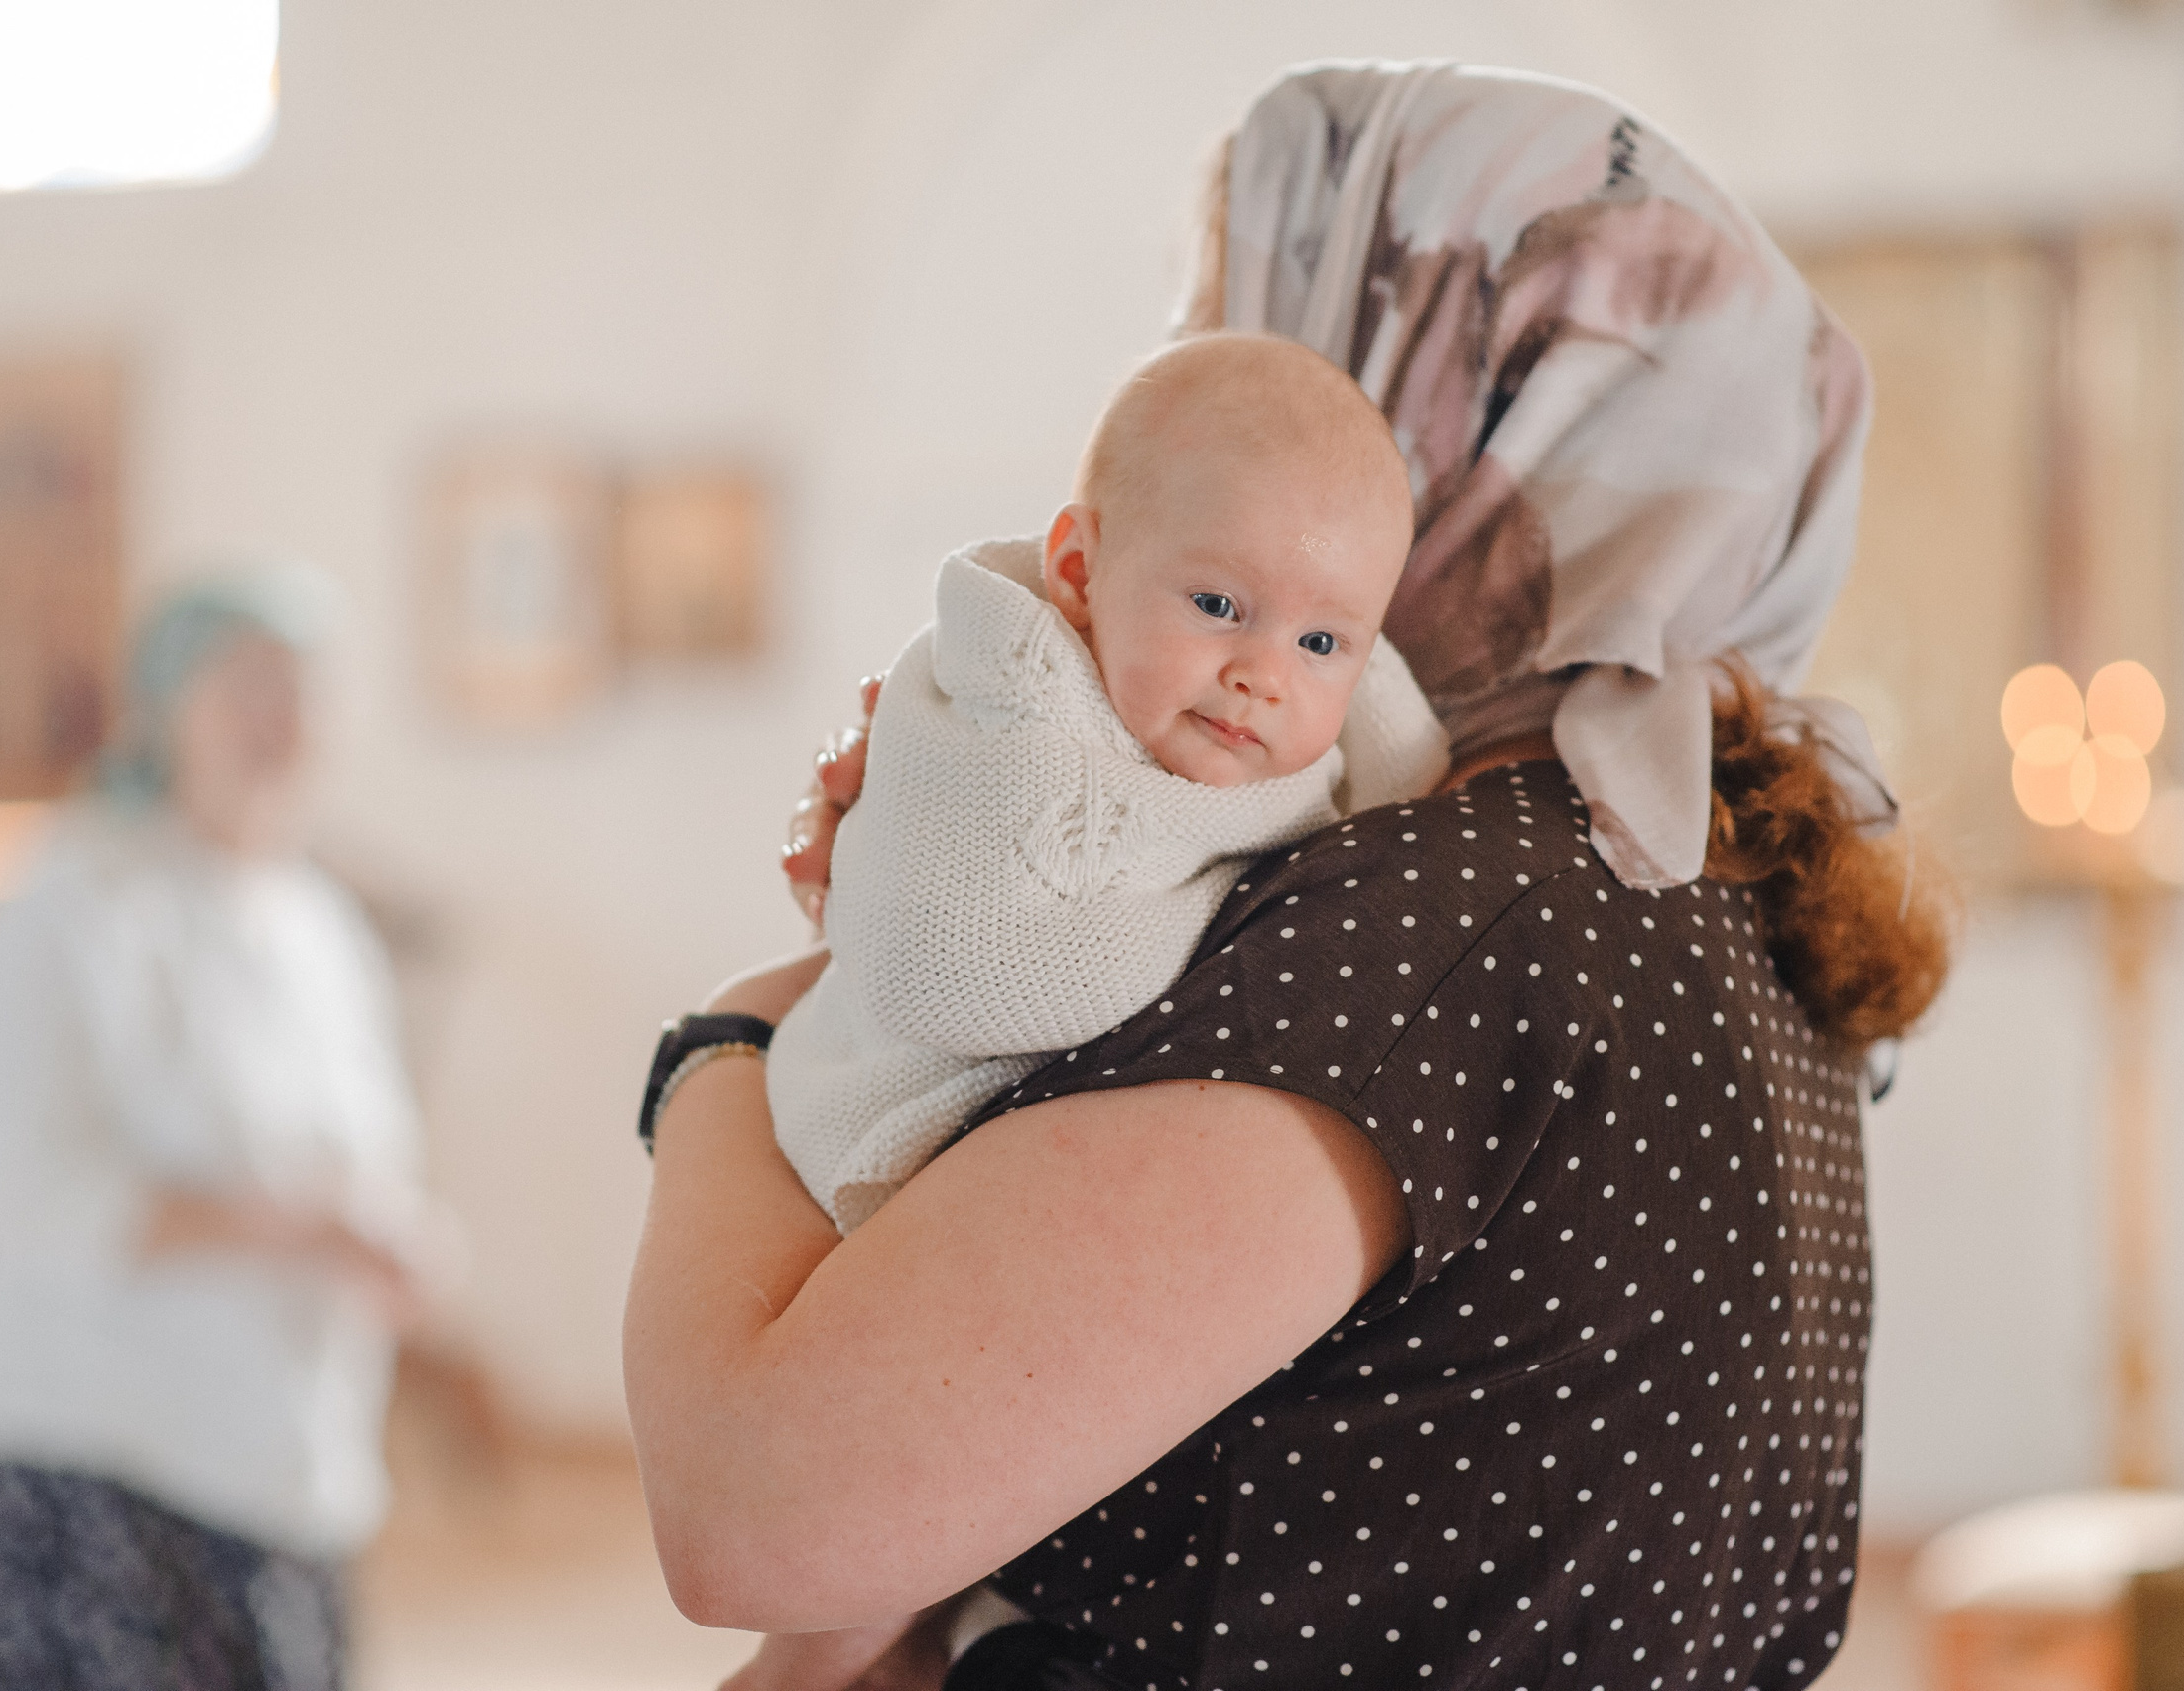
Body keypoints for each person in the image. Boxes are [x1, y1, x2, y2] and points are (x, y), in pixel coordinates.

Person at [630, 61, 1952, 1691]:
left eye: (1237, 328)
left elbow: (761, 1507)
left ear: (1417, 415)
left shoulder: (1451, 922)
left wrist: (738, 1037)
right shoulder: (1686, 878)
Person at [762, 332, 1446, 1239]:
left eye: (1320, 644)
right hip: (873, 1124)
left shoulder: (1311, 754)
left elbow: (1411, 794)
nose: (1264, 676)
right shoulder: (1017, 707)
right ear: (1081, 575)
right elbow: (931, 966)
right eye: (1217, 607)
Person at [0, 570, 450, 1691]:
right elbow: (21, 1191)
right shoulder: (82, 895)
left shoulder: (318, 922)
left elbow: (358, 1162)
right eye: (246, 687)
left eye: (302, 690)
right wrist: (302, 1233)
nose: (280, 720)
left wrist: (393, 1244)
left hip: (280, 1467)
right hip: (91, 1465)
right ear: (163, 710)